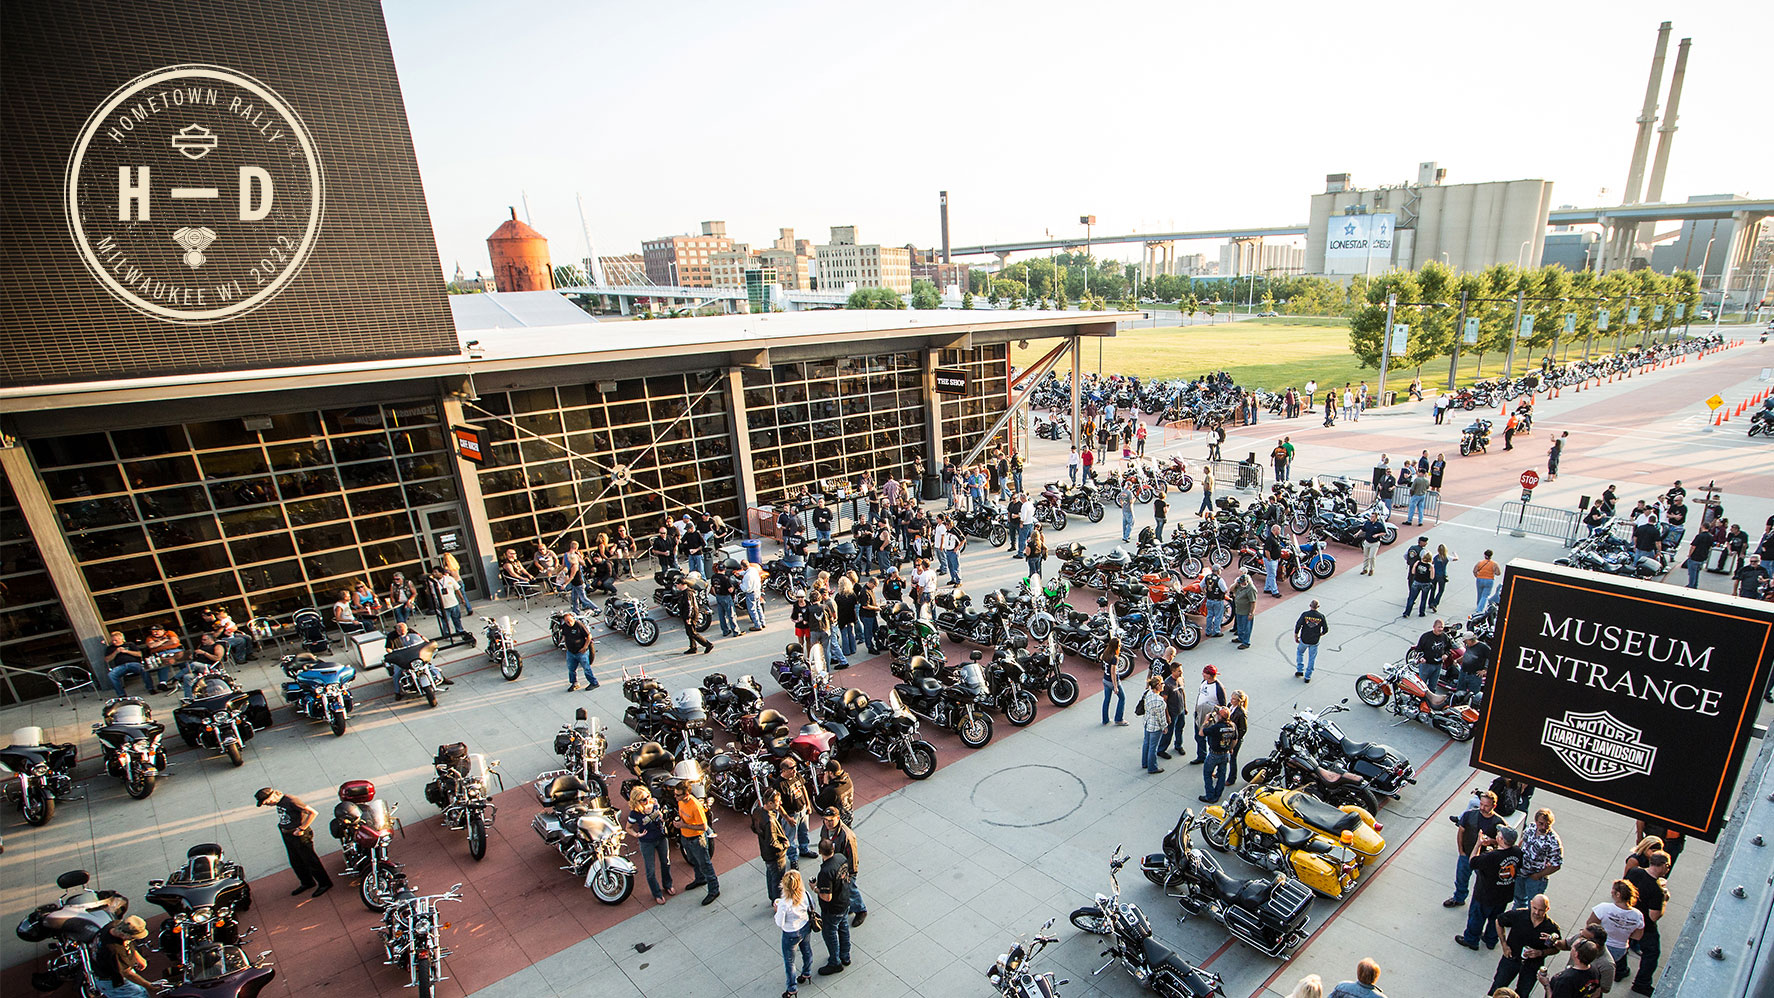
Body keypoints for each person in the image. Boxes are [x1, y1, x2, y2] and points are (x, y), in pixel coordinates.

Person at [255, 787, 333, 897]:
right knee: (295, 861)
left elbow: (313, 813)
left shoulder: (291, 800)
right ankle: (307, 882)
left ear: (273, 795)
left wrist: (302, 829)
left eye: (267, 802)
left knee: (310, 860)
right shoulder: (280, 802)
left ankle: (324, 883)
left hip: (298, 835)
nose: (267, 804)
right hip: (288, 834)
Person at [1456, 824, 1524, 951]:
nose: (1497, 835)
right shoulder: (1516, 852)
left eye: (1499, 834)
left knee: (1477, 917)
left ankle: (1471, 939)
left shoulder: (1492, 857)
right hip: (1504, 894)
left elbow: (1472, 862)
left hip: (1485, 895)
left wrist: (1478, 843)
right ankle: (1491, 940)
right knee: (1496, 919)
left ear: (1501, 840)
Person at [1491, 895, 1565, 997]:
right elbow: (1499, 921)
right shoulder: (1519, 915)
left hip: (1532, 965)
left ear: (1547, 909)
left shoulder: (1551, 928)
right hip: (1511, 957)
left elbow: (1556, 949)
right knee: (1498, 987)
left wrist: (1541, 953)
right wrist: (1504, 944)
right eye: (1534, 908)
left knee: (1523, 993)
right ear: (1531, 904)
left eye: (1541, 910)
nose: (1536, 912)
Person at [1619, 850, 1670, 993]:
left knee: (1622, 943)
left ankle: (1620, 970)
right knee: (1652, 952)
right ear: (1663, 865)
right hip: (1645, 926)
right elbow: (1654, 916)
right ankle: (1641, 983)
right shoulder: (1657, 890)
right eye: (1667, 866)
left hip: (1626, 917)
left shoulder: (1635, 872)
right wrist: (1665, 900)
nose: (1668, 869)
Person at [1447, 790, 1503, 907]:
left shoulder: (1499, 822)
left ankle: (1481, 902)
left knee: (1483, 883)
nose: (1482, 808)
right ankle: (1459, 898)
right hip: (1466, 854)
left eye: (1486, 806)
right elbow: (1461, 831)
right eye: (1481, 804)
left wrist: (1490, 841)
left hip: (1484, 859)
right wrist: (1461, 851)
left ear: (1494, 806)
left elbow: (1503, 842)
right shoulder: (1469, 815)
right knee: (1461, 878)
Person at [1586, 881, 1644, 985]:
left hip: (1600, 945)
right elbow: (1637, 936)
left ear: (1618, 894)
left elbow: (1590, 925)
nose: (1611, 892)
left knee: (1591, 969)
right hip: (1619, 950)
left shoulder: (1604, 908)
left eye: (1613, 890)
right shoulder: (1638, 915)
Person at [672, 779, 720, 904]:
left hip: (697, 839)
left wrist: (684, 825)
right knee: (693, 860)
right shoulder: (681, 802)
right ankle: (700, 878)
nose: (675, 797)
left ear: (686, 794)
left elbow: (703, 827)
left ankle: (714, 890)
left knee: (705, 864)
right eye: (675, 794)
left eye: (678, 795)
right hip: (686, 837)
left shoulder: (695, 806)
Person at [626, 785, 675, 904]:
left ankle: (667, 884)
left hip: (661, 837)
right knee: (650, 870)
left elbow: (661, 819)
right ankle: (656, 893)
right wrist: (637, 835)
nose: (647, 800)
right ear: (636, 801)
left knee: (666, 862)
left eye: (648, 796)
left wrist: (662, 818)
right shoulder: (635, 813)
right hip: (647, 842)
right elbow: (628, 828)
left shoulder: (655, 804)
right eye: (643, 799)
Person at [818, 806, 867, 924]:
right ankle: (850, 905)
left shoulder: (847, 835)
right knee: (841, 890)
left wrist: (851, 873)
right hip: (834, 866)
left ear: (838, 818)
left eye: (831, 820)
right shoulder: (825, 829)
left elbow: (852, 856)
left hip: (845, 868)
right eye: (825, 820)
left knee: (850, 888)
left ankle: (860, 910)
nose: (828, 823)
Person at [92, 915, 157, 998]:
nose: (133, 940)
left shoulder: (114, 925)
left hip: (118, 972)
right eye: (132, 938)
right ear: (123, 935)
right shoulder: (114, 949)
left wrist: (137, 956)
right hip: (115, 982)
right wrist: (149, 986)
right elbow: (127, 973)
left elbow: (128, 942)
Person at [814, 837, 852, 975]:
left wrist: (815, 889)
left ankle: (835, 962)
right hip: (845, 900)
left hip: (833, 908)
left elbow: (827, 896)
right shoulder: (841, 858)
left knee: (830, 934)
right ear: (833, 849)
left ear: (819, 851)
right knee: (844, 928)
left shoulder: (825, 872)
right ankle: (845, 955)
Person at [774, 869, 815, 997]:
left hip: (790, 933)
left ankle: (792, 988)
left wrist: (776, 909)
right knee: (806, 950)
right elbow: (812, 907)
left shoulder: (784, 904)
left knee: (790, 961)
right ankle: (806, 972)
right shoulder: (805, 895)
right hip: (805, 926)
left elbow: (779, 922)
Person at [1517, 808, 1564, 909]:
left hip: (1535, 879)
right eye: (1541, 823)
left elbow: (1557, 865)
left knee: (1533, 907)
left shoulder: (1553, 841)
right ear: (1536, 821)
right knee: (1518, 901)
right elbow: (1522, 840)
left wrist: (1538, 875)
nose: (1544, 827)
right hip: (1520, 872)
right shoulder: (1531, 828)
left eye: (1547, 824)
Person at [776, 757, 818, 864]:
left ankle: (804, 850)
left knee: (804, 832)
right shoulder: (779, 784)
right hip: (791, 814)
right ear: (784, 770)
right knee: (790, 839)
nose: (795, 771)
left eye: (795, 768)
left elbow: (803, 788)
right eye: (791, 769)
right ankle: (793, 859)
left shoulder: (797, 775)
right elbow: (778, 805)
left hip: (802, 810)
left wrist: (808, 805)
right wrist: (787, 818)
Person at [754, 791, 792, 902]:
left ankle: (772, 896)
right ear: (770, 803)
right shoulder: (769, 821)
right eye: (778, 801)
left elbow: (754, 827)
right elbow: (773, 842)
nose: (780, 803)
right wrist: (784, 845)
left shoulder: (757, 812)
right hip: (776, 856)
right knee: (778, 879)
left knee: (770, 875)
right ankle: (778, 901)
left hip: (766, 853)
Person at [1539, 938, 1603, 998]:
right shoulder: (1595, 971)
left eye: (1572, 947)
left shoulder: (1566, 980)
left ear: (1576, 954)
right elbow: (1596, 993)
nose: (1571, 948)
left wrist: (1546, 985)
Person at [1192, 665, 1227, 764]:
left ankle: (1211, 757)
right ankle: (1201, 756)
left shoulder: (1218, 687)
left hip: (1210, 717)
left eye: (1205, 673)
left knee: (1211, 738)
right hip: (1199, 713)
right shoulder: (1204, 682)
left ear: (1210, 675)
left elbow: (1223, 705)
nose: (1203, 674)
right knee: (1198, 736)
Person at [555, 610, 597, 691]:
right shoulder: (565, 626)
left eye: (570, 621)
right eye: (567, 621)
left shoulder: (579, 625)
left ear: (573, 619)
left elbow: (589, 636)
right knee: (571, 669)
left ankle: (594, 683)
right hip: (571, 652)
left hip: (581, 652)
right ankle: (574, 683)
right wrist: (565, 645)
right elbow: (564, 636)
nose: (569, 623)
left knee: (586, 668)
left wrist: (585, 647)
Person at [1154, 657, 1187, 760]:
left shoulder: (1180, 679)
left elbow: (1182, 693)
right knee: (1169, 732)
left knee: (1180, 728)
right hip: (1172, 712)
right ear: (1173, 671)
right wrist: (1167, 715)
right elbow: (1165, 701)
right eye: (1179, 671)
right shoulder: (1167, 684)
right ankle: (1161, 750)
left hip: (1180, 710)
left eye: (1181, 671)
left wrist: (1184, 707)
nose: (1181, 673)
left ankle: (1178, 745)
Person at [427, 567, 469, 640]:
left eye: (436, 572)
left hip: (453, 603)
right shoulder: (433, 582)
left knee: (457, 619)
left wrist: (462, 599)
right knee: (445, 621)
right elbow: (429, 592)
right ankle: (446, 635)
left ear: (441, 572)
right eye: (433, 572)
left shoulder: (449, 579)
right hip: (443, 606)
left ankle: (460, 631)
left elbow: (457, 589)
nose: (434, 574)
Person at [103, 630, 149, 697]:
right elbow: (107, 660)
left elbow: (139, 654)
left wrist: (126, 651)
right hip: (120, 666)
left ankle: (150, 688)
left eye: (115, 640)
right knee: (111, 675)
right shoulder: (110, 648)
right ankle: (121, 694)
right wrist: (116, 652)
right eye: (112, 640)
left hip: (133, 663)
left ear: (121, 639)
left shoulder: (130, 644)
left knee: (144, 669)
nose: (114, 642)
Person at [1138, 674, 1168, 774]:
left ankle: (1144, 762)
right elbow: (1161, 717)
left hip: (1147, 722)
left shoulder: (1148, 693)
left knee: (1146, 743)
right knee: (1153, 747)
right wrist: (1164, 727)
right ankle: (1152, 767)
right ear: (1158, 685)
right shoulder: (1160, 701)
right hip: (1155, 726)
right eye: (1162, 683)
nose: (1164, 685)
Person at [1294, 599, 1328, 681]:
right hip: (1314, 641)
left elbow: (1298, 625)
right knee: (1312, 658)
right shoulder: (1321, 616)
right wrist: (1320, 634)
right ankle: (1308, 676)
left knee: (1300, 652)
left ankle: (1300, 670)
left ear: (1310, 606)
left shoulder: (1305, 615)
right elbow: (1326, 629)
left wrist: (1296, 635)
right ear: (1318, 607)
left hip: (1304, 639)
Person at [679, 576, 713, 655]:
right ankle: (693, 647)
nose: (676, 586)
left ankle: (707, 644)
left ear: (682, 584)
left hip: (691, 616)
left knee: (693, 633)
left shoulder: (687, 593)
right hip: (687, 615)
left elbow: (690, 606)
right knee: (689, 632)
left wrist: (689, 617)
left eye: (677, 584)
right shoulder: (686, 592)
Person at [1101, 634, 1127, 726]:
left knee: (1107, 699)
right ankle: (1119, 719)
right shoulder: (1114, 658)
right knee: (1122, 698)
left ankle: (1105, 719)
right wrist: (1115, 686)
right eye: (1119, 645)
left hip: (1105, 679)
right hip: (1112, 681)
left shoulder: (1105, 654)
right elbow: (1113, 673)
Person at [1405, 551, 1435, 618]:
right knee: (1423, 599)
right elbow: (1432, 577)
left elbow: (1413, 571)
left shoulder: (1418, 563)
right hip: (1426, 584)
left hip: (1416, 582)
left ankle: (1407, 612)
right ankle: (1422, 612)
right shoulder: (1430, 566)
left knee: (1412, 598)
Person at [1231, 572, 1257, 649]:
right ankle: (1240, 638)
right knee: (1240, 626)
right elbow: (1231, 589)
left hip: (1246, 612)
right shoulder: (1239, 586)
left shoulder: (1251, 589)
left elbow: (1253, 602)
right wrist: (1236, 583)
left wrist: (1251, 613)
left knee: (1246, 628)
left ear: (1247, 581)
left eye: (1242, 582)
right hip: (1239, 610)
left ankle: (1246, 642)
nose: (1241, 583)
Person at [1359, 511, 1386, 575]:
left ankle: (1371, 569)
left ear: (1376, 517)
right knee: (1366, 556)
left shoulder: (1379, 525)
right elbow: (1363, 529)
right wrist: (1357, 534)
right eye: (1371, 516)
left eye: (1373, 517)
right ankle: (1365, 569)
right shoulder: (1367, 523)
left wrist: (1377, 535)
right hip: (1367, 542)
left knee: (1372, 557)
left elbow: (1384, 533)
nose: (1371, 518)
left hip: (1375, 543)